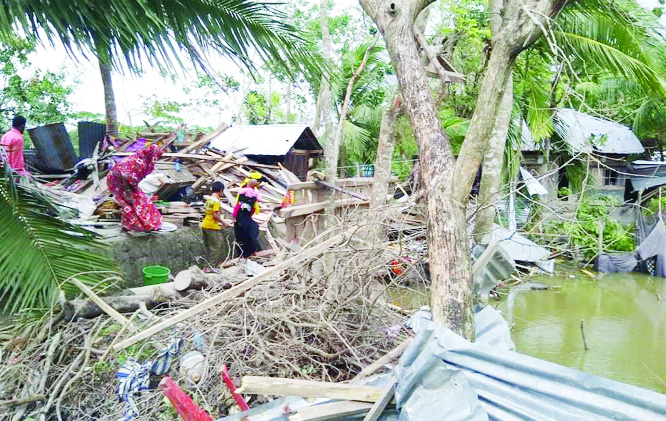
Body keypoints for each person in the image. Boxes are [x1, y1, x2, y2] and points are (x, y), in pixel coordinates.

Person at [107, 143, 164, 232]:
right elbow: (125, 175)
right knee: (131, 202)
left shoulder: (144, 160)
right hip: (118, 182)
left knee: (141, 201)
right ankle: (136, 225)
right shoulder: (139, 161)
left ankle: (142, 224)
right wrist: (127, 191)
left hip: (127, 183)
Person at [200, 181, 230, 271]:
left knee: (208, 247)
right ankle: (211, 267)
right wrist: (224, 223)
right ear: (220, 190)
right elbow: (215, 215)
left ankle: (206, 266)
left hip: (205, 224)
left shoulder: (209, 199)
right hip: (212, 226)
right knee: (216, 246)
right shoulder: (216, 201)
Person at [233, 177, 262, 262]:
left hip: (244, 217)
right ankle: (245, 255)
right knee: (245, 235)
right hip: (242, 218)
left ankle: (249, 253)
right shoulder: (246, 195)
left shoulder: (250, 194)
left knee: (250, 233)